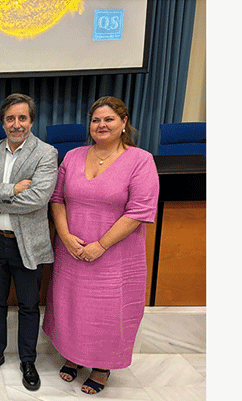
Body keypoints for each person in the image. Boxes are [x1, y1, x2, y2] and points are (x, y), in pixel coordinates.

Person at [42, 96, 159, 395]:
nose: (101, 125)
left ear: (123, 123)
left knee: (107, 311)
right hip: (72, 251)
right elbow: (56, 199)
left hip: (115, 255)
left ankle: (101, 365)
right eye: (96, 120)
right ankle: (73, 355)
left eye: (109, 119)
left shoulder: (140, 160)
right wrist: (65, 236)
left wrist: (101, 245)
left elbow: (140, 211)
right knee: (72, 306)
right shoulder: (72, 156)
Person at [0, 93, 58, 392]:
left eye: (22, 118)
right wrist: (10, 190)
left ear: (31, 120)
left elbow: (38, 198)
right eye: (10, 118)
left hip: (27, 244)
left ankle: (28, 360)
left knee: (29, 305)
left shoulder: (46, 153)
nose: (16, 124)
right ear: (2, 122)